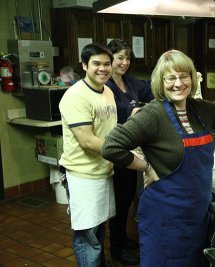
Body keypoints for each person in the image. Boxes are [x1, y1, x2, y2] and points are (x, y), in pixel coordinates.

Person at [101, 49, 215, 267]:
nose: (178, 83)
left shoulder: (200, 109)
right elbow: (112, 147)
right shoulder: (152, 113)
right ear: (161, 80)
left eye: (184, 76)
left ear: (192, 78)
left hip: (196, 216)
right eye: (171, 77)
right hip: (164, 218)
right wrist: (146, 167)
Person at [58, 43, 117, 267]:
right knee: (87, 236)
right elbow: (87, 140)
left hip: (103, 171)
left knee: (99, 228)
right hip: (82, 174)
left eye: (106, 64)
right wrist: (125, 155)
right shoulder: (75, 96)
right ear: (84, 65)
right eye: (96, 64)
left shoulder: (108, 91)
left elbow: (109, 131)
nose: (103, 68)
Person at [105, 39, 154, 265]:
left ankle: (123, 238)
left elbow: (152, 90)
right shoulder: (106, 87)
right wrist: (132, 112)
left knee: (126, 198)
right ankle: (116, 247)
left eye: (127, 58)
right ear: (110, 59)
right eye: (120, 58)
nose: (125, 63)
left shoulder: (130, 82)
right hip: (116, 150)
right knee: (119, 201)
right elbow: (114, 116)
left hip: (131, 148)